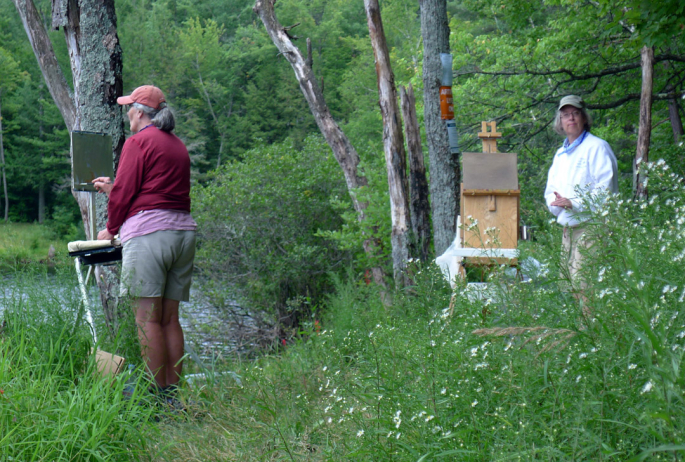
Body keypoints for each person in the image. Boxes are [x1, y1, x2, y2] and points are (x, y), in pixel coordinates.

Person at [94, 85, 196, 399]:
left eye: (129, 108)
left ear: (140, 112)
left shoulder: (138, 142)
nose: (127, 113)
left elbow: (127, 194)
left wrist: (109, 229)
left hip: (150, 236)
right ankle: (172, 395)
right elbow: (156, 192)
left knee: (146, 319)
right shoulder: (177, 145)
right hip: (183, 235)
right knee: (169, 319)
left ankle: (152, 396)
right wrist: (114, 189)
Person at [544, 95, 618, 287]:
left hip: (592, 227)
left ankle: (593, 318)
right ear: (560, 122)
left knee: (586, 286)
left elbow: (606, 190)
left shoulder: (597, 147)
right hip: (568, 229)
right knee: (567, 286)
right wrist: (557, 203)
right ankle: (582, 319)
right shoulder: (560, 154)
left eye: (576, 113)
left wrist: (574, 203)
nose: (571, 118)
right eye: (566, 115)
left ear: (584, 118)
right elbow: (551, 190)